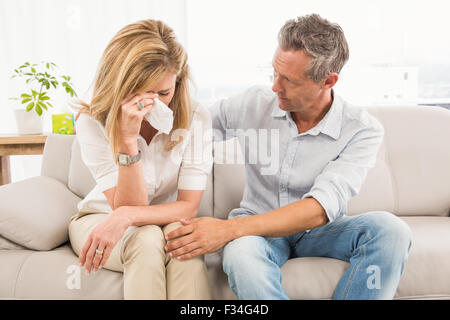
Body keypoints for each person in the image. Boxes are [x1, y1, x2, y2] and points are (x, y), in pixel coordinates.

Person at [165, 14, 412, 300]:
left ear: (328, 81)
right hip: (259, 231)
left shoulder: (361, 129)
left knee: (391, 230)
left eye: (289, 80)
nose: (275, 86)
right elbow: (190, 125)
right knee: (242, 256)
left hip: (322, 231)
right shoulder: (252, 104)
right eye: (274, 72)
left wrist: (227, 229)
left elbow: (320, 209)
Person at [68, 19, 213, 300]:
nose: (153, 104)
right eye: (140, 91)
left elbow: (188, 206)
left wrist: (127, 215)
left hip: (161, 218)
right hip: (101, 217)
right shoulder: (92, 120)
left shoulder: (196, 117)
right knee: (145, 240)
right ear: (119, 83)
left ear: (177, 83)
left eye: (163, 93)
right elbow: (123, 207)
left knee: (183, 245)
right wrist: (126, 140)